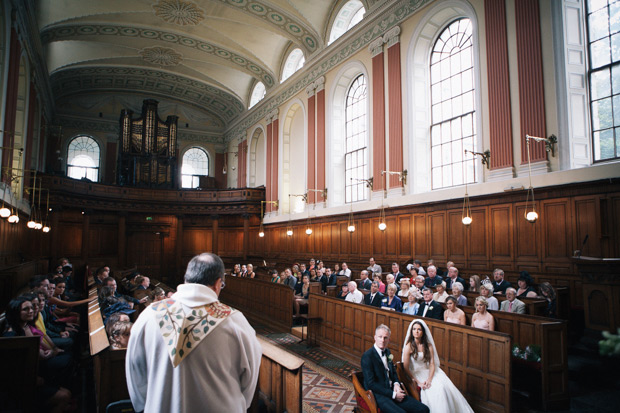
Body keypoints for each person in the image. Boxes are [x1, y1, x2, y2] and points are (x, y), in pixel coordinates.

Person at [126, 253, 262, 413]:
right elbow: (249, 380)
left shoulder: (149, 316)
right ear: (218, 283)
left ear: (187, 279)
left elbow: (135, 375)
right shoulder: (235, 322)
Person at [402, 320, 473, 413]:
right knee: (432, 392)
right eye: (414, 329)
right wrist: (418, 381)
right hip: (416, 373)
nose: (416, 331)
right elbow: (406, 367)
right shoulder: (409, 346)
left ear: (423, 332)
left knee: (442, 387)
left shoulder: (428, 345)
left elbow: (432, 363)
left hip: (429, 372)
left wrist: (429, 379)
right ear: (411, 331)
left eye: (419, 329)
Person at [361, 325, 429, 413]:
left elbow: (392, 371)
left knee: (424, 409)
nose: (382, 340)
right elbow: (371, 384)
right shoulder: (367, 356)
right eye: (380, 337)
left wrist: (396, 384)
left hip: (393, 390)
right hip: (379, 395)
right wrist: (393, 394)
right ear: (375, 337)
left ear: (389, 340)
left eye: (385, 338)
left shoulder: (388, 352)